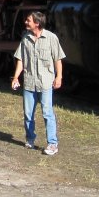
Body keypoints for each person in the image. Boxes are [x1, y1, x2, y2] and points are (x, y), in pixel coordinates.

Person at [11, 11, 66, 155]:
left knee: (47, 113)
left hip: (45, 83)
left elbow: (58, 59)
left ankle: (52, 144)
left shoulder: (51, 38)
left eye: (28, 20)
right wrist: (16, 77)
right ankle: (30, 139)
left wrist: (59, 77)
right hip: (29, 83)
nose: (26, 22)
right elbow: (21, 60)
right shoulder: (25, 38)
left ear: (37, 23)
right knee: (28, 114)